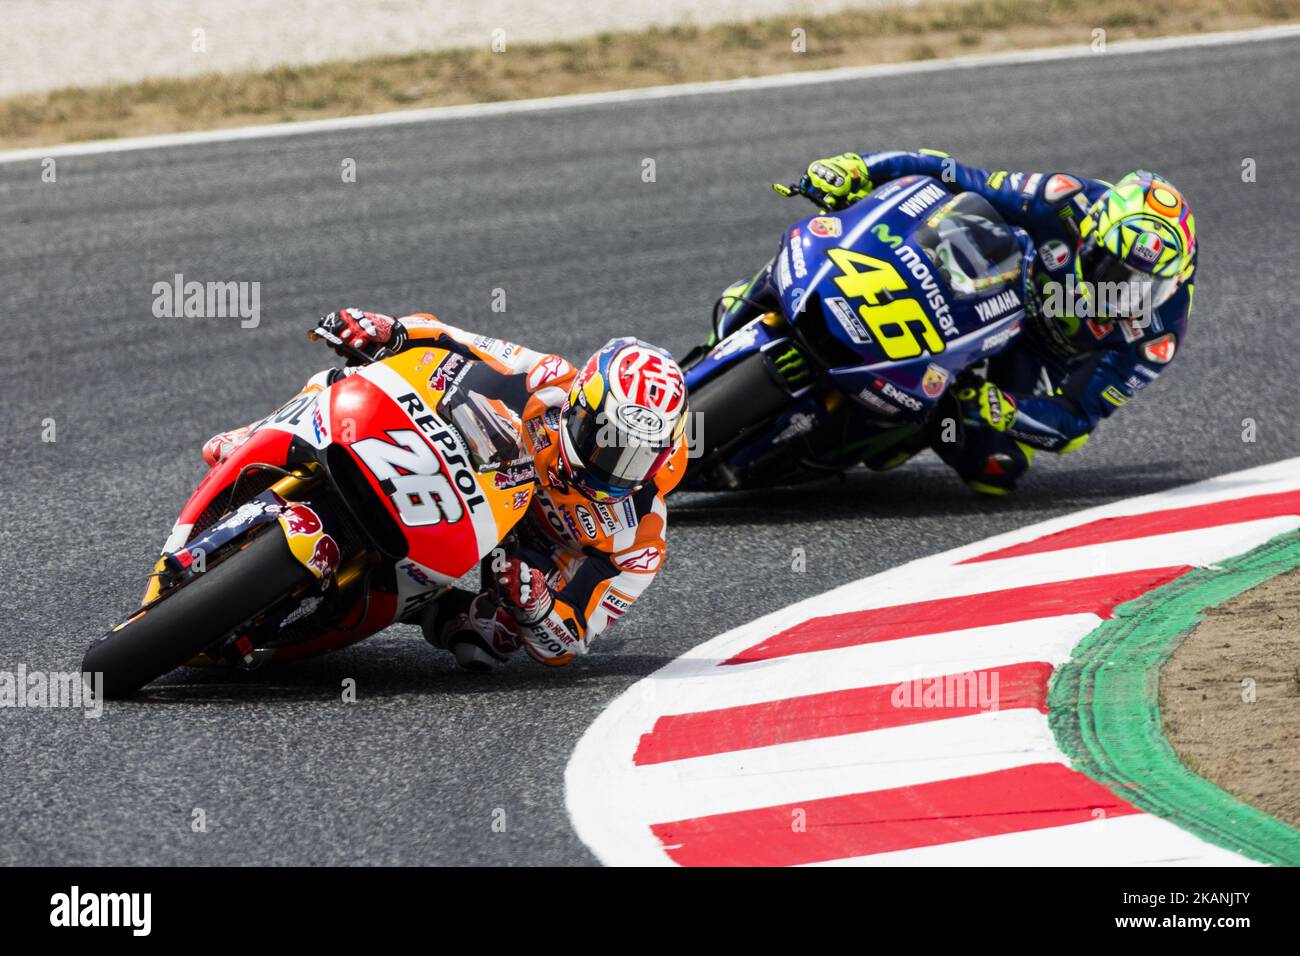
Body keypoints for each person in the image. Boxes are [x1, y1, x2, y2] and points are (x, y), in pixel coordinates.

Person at [203, 309, 688, 670]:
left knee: (491, 638)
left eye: (637, 456)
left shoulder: (643, 537)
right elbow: (455, 341)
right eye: (606, 442)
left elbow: (573, 638)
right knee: (350, 378)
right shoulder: (548, 379)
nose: (614, 467)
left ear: (664, 454)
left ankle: (412, 603)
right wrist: (388, 330)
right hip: (477, 473)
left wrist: (539, 606)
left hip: (518, 553)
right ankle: (261, 432)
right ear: (580, 405)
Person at [718, 150, 1198, 494]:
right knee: (889, 237)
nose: (1125, 292)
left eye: (1146, 285)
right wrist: (859, 168)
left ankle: (894, 427)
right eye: (1111, 271)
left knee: (994, 468)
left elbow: (1076, 421)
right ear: (1090, 235)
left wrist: (1001, 407)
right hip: (1000, 278)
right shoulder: (1062, 200)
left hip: (1032, 356)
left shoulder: (1158, 335)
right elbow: (950, 174)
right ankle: (765, 292)